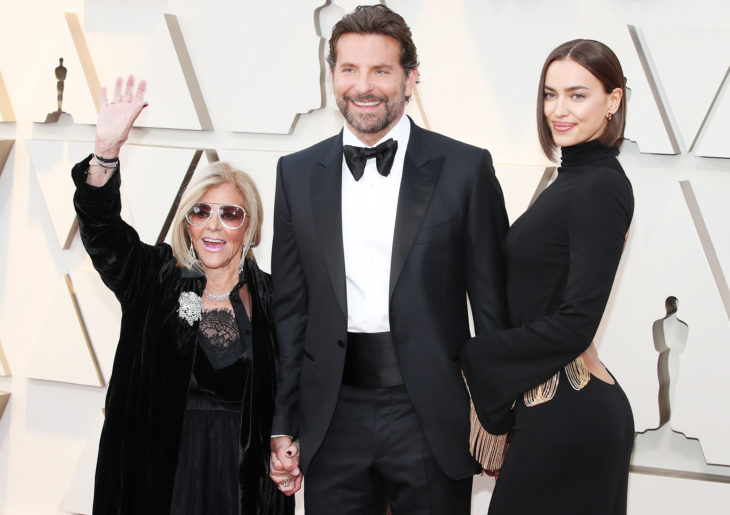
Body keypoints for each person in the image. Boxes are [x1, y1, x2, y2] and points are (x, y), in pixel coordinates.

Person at [268, 5, 508, 514]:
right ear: (331, 75)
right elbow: (290, 312)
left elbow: (492, 310)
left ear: (410, 78)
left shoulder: (466, 169)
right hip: (332, 416)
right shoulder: (296, 173)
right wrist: (283, 421)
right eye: (349, 69)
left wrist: (496, 418)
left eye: (381, 70)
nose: (364, 86)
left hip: (429, 413)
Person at [72, 76, 293, 515]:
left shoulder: (274, 297)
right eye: (200, 211)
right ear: (187, 221)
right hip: (158, 481)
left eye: (229, 213)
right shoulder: (153, 278)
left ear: (249, 227)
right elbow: (101, 233)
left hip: (241, 487)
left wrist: (291, 443)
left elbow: (297, 388)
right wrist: (106, 152)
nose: (213, 225)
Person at [461, 39, 635, 514]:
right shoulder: (574, 179)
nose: (559, 109)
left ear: (613, 101)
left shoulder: (600, 186)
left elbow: (578, 320)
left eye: (578, 95)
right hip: (550, 409)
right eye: (549, 94)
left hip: (569, 415)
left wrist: (473, 355)